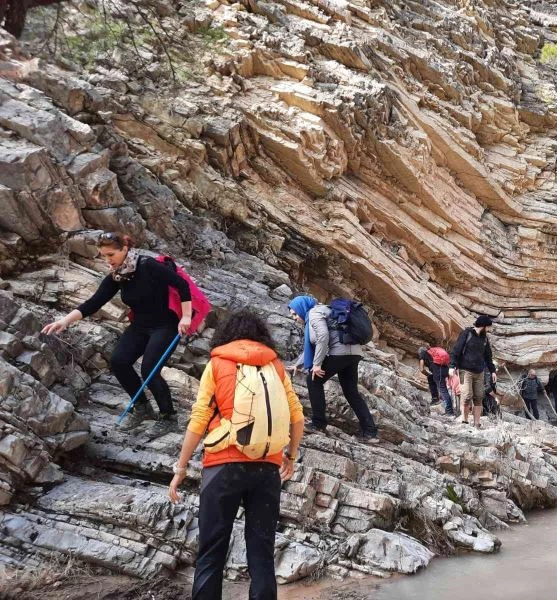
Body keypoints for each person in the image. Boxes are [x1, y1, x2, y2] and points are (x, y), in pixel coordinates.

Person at [168, 310, 304, 600]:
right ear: (261, 335)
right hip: (267, 468)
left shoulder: (217, 363)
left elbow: (199, 418)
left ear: (226, 335)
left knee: (211, 552)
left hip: (223, 465)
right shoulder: (275, 366)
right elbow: (297, 416)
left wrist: (180, 469)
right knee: (262, 552)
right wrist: (290, 457)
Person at [41, 232, 193, 432]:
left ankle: (168, 417)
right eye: (103, 256)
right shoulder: (118, 275)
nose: (107, 260)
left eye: (111, 255)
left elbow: (181, 285)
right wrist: (64, 321)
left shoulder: (148, 266)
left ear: (124, 249)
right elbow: (94, 302)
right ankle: (142, 407)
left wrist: (186, 316)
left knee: (150, 370)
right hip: (140, 326)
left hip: (165, 325)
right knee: (119, 362)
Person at [287, 295, 378, 442]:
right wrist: (298, 364)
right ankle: (370, 432)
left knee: (313, 380)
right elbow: (315, 343)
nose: (294, 318)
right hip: (353, 353)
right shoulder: (324, 310)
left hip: (340, 352)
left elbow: (322, 337)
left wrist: (316, 365)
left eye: (295, 313)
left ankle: (318, 424)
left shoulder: (314, 313)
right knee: (351, 392)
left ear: (302, 308)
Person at [449, 315, 496, 428]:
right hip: (465, 370)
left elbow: (488, 357)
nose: (489, 329)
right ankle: (464, 420)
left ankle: (477, 423)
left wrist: (493, 371)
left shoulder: (484, 339)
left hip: (479, 372)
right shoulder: (467, 333)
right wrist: (452, 366)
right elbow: (456, 350)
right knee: (467, 395)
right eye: (488, 327)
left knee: (479, 396)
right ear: (483, 326)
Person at [418, 346, 454, 416]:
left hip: (438, 371)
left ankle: (450, 411)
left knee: (443, 390)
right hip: (445, 369)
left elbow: (422, 369)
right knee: (431, 378)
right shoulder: (432, 353)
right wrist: (430, 375)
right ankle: (435, 398)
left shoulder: (422, 353)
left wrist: (428, 374)